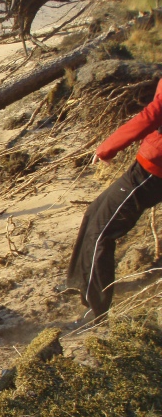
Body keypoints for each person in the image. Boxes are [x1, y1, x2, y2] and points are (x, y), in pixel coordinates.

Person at [65, 77, 162, 321]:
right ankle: (80, 283)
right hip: (148, 167)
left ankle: (97, 311)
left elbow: (151, 115)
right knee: (94, 211)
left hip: (152, 173)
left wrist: (107, 147)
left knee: (101, 233)